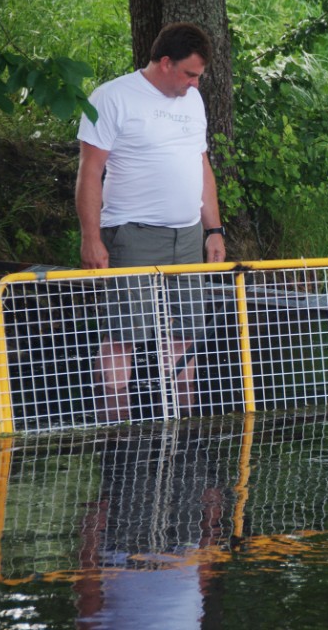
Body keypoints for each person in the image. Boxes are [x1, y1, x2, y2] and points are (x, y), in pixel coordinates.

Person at [75, 22, 226, 421]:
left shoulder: (193, 100)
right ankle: (118, 434)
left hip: (188, 234)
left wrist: (214, 229)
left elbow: (201, 163)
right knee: (123, 335)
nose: (194, 84)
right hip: (133, 233)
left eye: (199, 77)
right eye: (190, 74)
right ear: (165, 63)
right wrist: (92, 237)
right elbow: (90, 171)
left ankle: (183, 428)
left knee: (185, 334)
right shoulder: (113, 97)